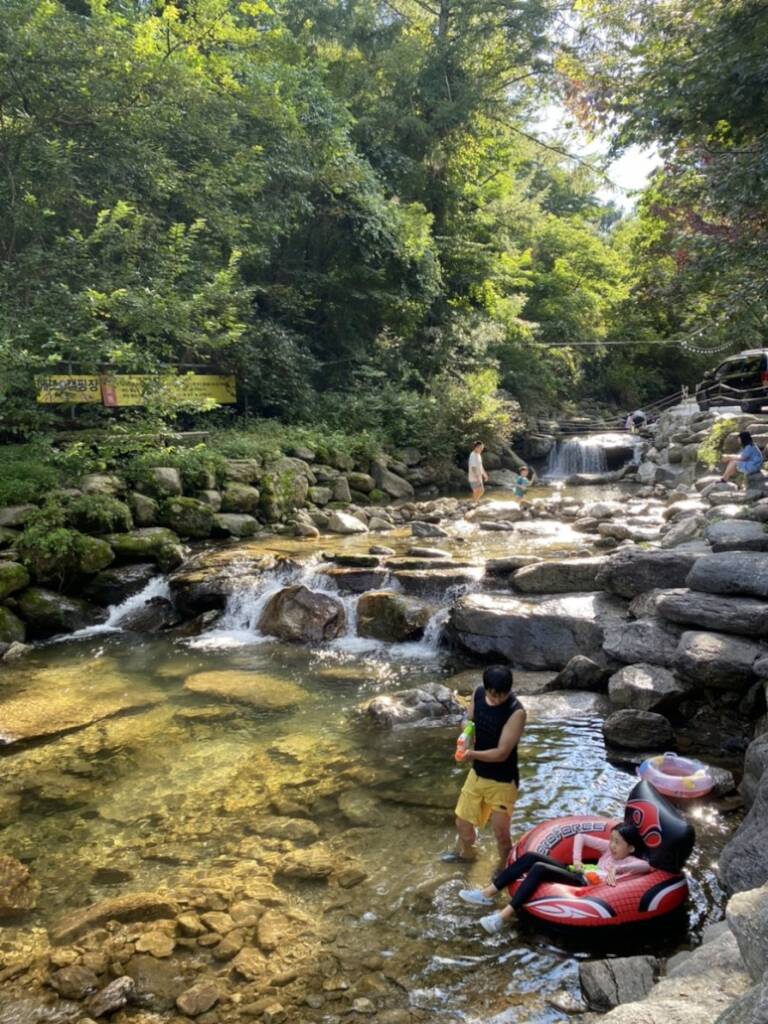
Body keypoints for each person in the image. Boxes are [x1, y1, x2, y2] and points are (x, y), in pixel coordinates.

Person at [459, 822, 649, 934]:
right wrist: (577, 860)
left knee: (539, 868)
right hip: (576, 871)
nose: (612, 845)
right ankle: (486, 893)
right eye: (612, 840)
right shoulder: (608, 849)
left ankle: (501, 917)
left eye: (618, 843)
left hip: (583, 884)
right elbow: (581, 837)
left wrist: (617, 869)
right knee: (531, 857)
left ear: (631, 848)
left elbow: (646, 866)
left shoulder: (629, 861)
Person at [452, 665, 526, 868]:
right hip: (477, 774)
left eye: (502, 695)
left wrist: (471, 754)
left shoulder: (516, 712)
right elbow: (469, 719)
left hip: (503, 781)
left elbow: (502, 753)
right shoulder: (478, 693)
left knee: (501, 834)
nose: (497, 699)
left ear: (509, 690)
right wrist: (466, 731)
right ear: (486, 689)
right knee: (462, 823)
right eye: (493, 695)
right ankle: (468, 857)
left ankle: (503, 869)